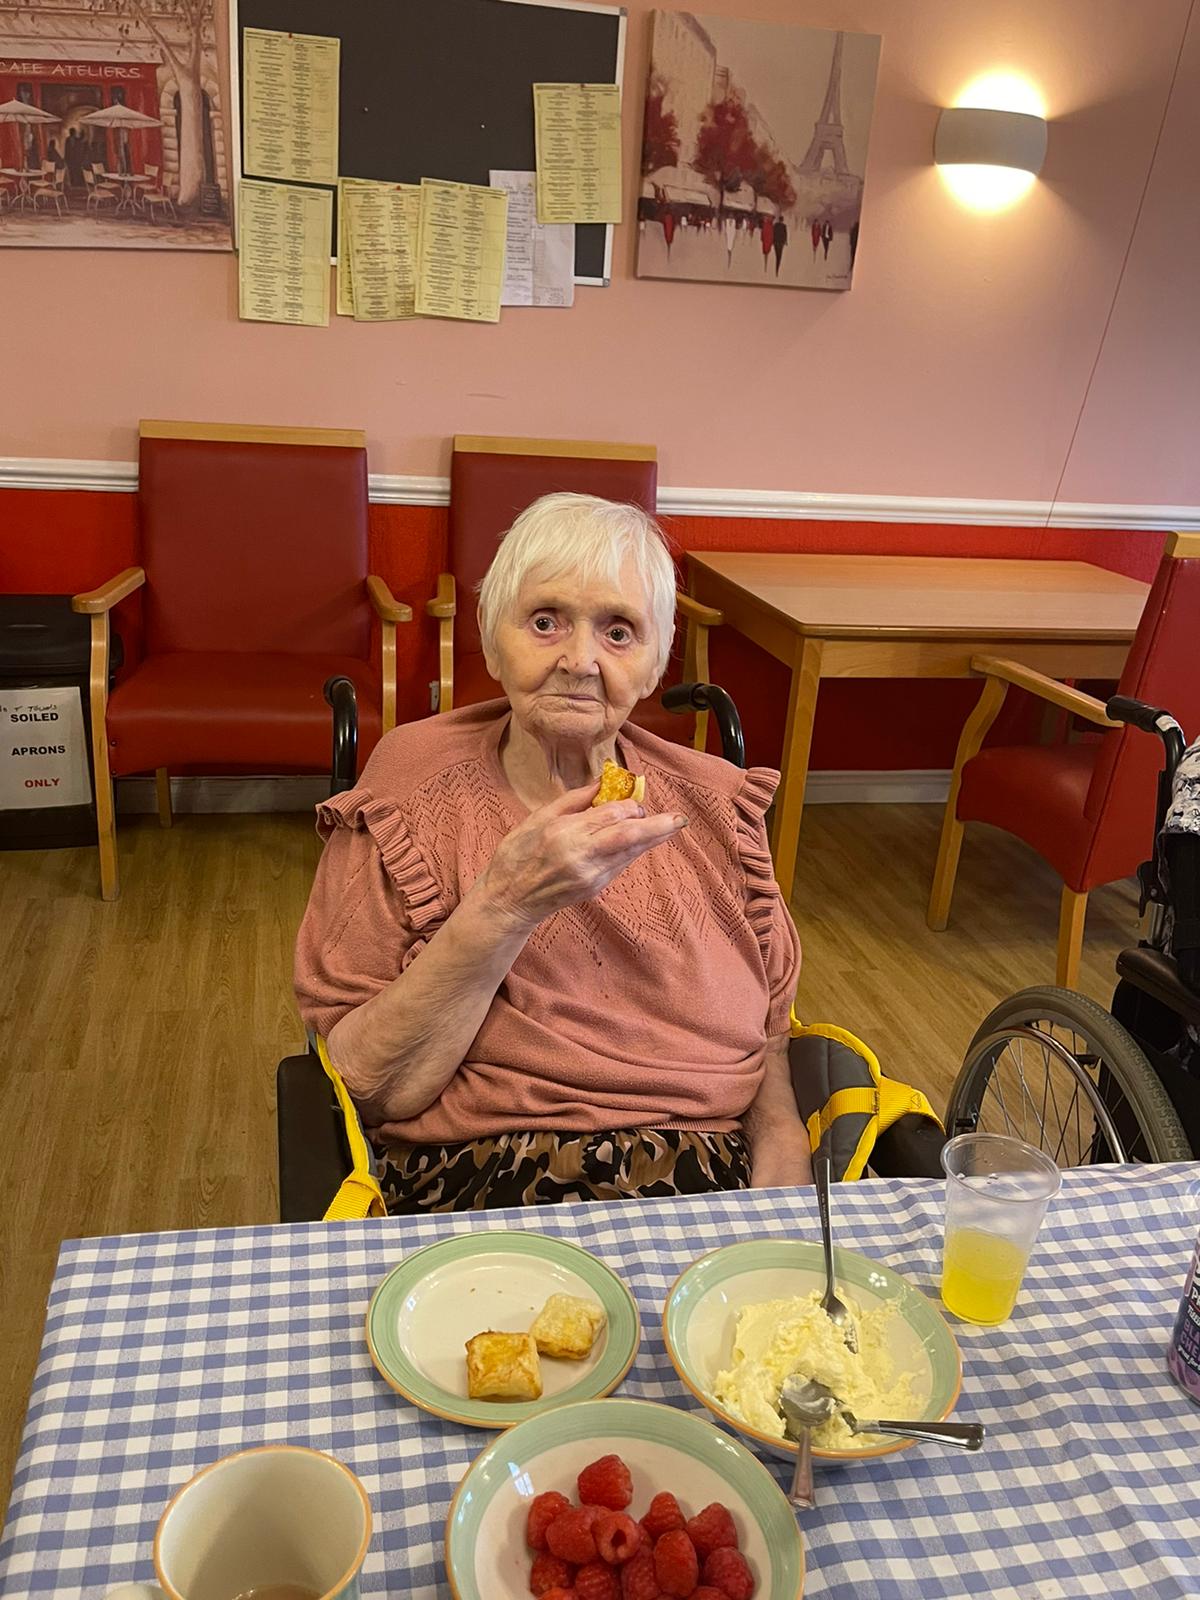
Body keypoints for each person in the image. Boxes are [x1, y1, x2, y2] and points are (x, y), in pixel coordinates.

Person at [295, 493, 810, 1212]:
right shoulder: (409, 790)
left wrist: (782, 1163)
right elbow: (369, 1086)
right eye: (545, 622)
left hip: (707, 1178)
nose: (580, 661)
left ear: (656, 662)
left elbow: (770, 1038)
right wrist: (504, 905)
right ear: (493, 640)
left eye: (619, 632)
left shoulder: (717, 804)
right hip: (486, 1175)